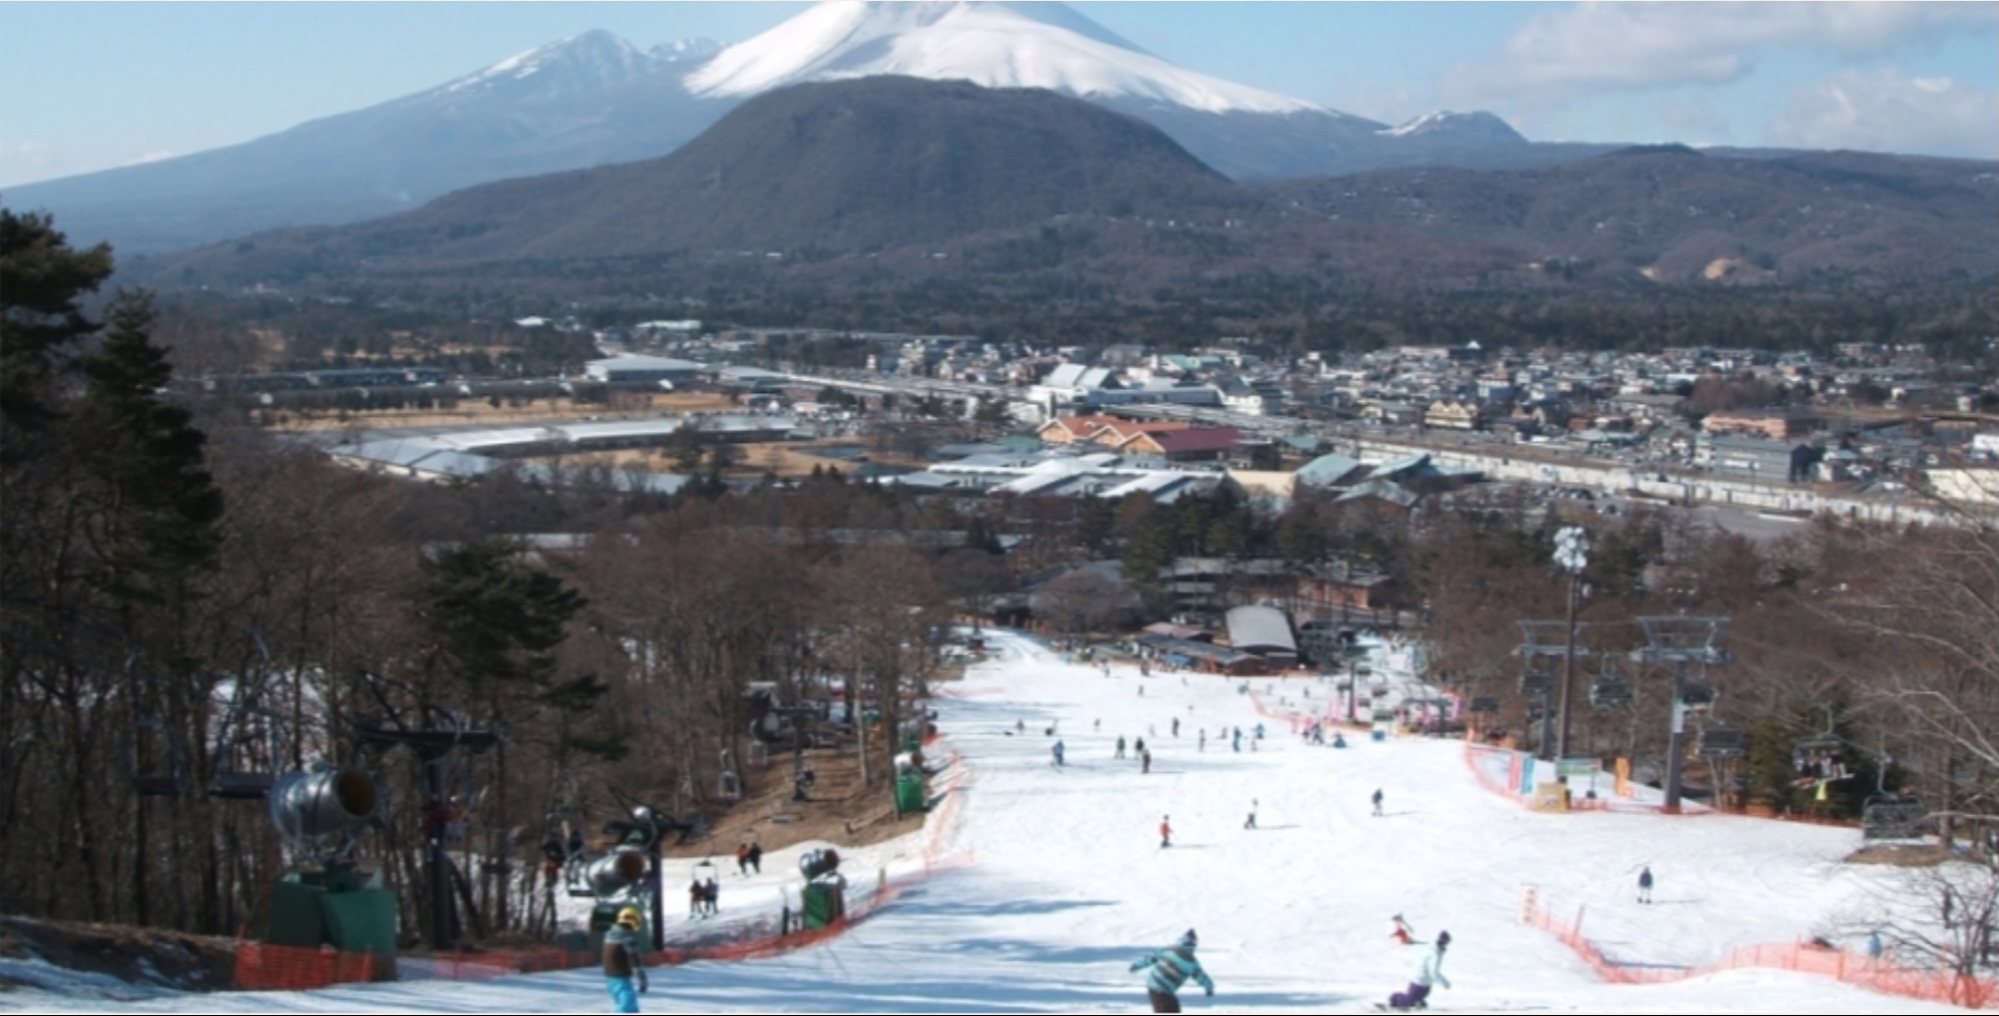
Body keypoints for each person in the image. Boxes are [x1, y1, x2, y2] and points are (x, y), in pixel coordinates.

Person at [1130, 928, 1214, 1013]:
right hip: (1163, 991)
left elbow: (1152, 958)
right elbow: (1202, 978)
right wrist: (1209, 988)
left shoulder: (1169, 949)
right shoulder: (1191, 963)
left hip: (1153, 984)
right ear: (1193, 946)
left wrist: (1137, 965)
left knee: (1171, 1008)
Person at [1384, 929, 1451, 1011]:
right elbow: (1433, 972)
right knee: (1409, 1000)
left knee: (1421, 995)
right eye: (1447, 942)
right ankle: (1393, 999)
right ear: (1444, 942)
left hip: (1425, 981)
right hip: (1419, 979)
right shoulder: (1435, 953)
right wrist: (1445, 983)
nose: (1447, 945)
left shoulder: (1436, 949)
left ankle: (1417, 1002)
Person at [603, 906, 650, 1013]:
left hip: (611, 978)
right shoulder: (627, 938)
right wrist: (642, 979)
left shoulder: (610, 935)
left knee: (629, 1007)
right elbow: (635, 961)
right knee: (627, 1007)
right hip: (621, 978)